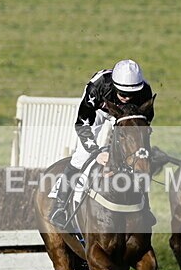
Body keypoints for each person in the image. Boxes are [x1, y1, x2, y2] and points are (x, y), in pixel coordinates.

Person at [48, 59, 154, 229]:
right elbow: (82, 124)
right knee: (80, 157)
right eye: (122, 93)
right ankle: (59, 207)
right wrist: (96, 152)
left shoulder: (145, 92)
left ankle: (145, 207)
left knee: (140, 159)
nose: (127, 98)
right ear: (114, 85)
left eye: (131, 94)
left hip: (126, 117)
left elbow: (142, 127)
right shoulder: (97, 87)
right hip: (97, 111)